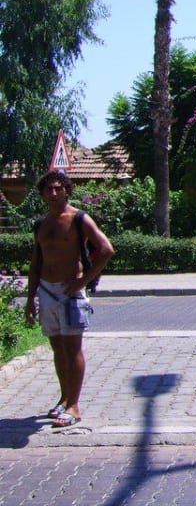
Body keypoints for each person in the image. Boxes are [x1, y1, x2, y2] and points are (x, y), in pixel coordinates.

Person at [24, 170, 114, 428]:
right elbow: (36, 263)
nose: (53, 193)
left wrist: (82, 282)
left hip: (71, 293)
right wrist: (30, 300)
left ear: (66, 190)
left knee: (73, 348)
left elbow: (106, 249)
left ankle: (74, 405)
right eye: (48, 189)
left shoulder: (78, 218)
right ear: (42, 194)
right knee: (58, 348)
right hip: (47, 290)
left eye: (58, 188)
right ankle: (64, 399)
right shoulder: (41, 224)